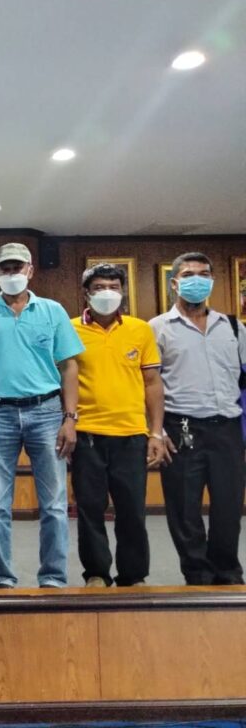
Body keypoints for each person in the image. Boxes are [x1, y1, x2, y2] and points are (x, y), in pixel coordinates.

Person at [0, 242, 84, 588]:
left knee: (54, 503)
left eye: (17, 268)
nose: (12, 274)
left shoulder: (53, 311)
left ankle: (53, 577)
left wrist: (70, 418)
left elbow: (69, 366)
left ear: (30, 270)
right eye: (5, 268)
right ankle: (1, 577)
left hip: (47, 412)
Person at [150, 251, 246, 585]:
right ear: (174, 283)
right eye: (189, 274)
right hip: (181, 428)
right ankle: (198, 576)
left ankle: (227, 573)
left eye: (204, 274)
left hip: (227, 428)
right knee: (184, 509)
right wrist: (157, 432)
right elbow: (148, 384)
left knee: (229, 507)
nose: (197, 280)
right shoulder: (157, 329)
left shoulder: (232, 327)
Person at [71, 263, 166, 587]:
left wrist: (156, 432)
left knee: (132, 509)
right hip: (87, 433)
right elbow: (63, 380)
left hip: (131, 434)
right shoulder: (69, 329)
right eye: (99, 287)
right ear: (86, 293)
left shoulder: (140, 330)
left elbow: (152, 383)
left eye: (113, 287)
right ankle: (96, 573)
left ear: (123, 292)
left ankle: (133, 574)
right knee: (89, 509)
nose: (107, 293)